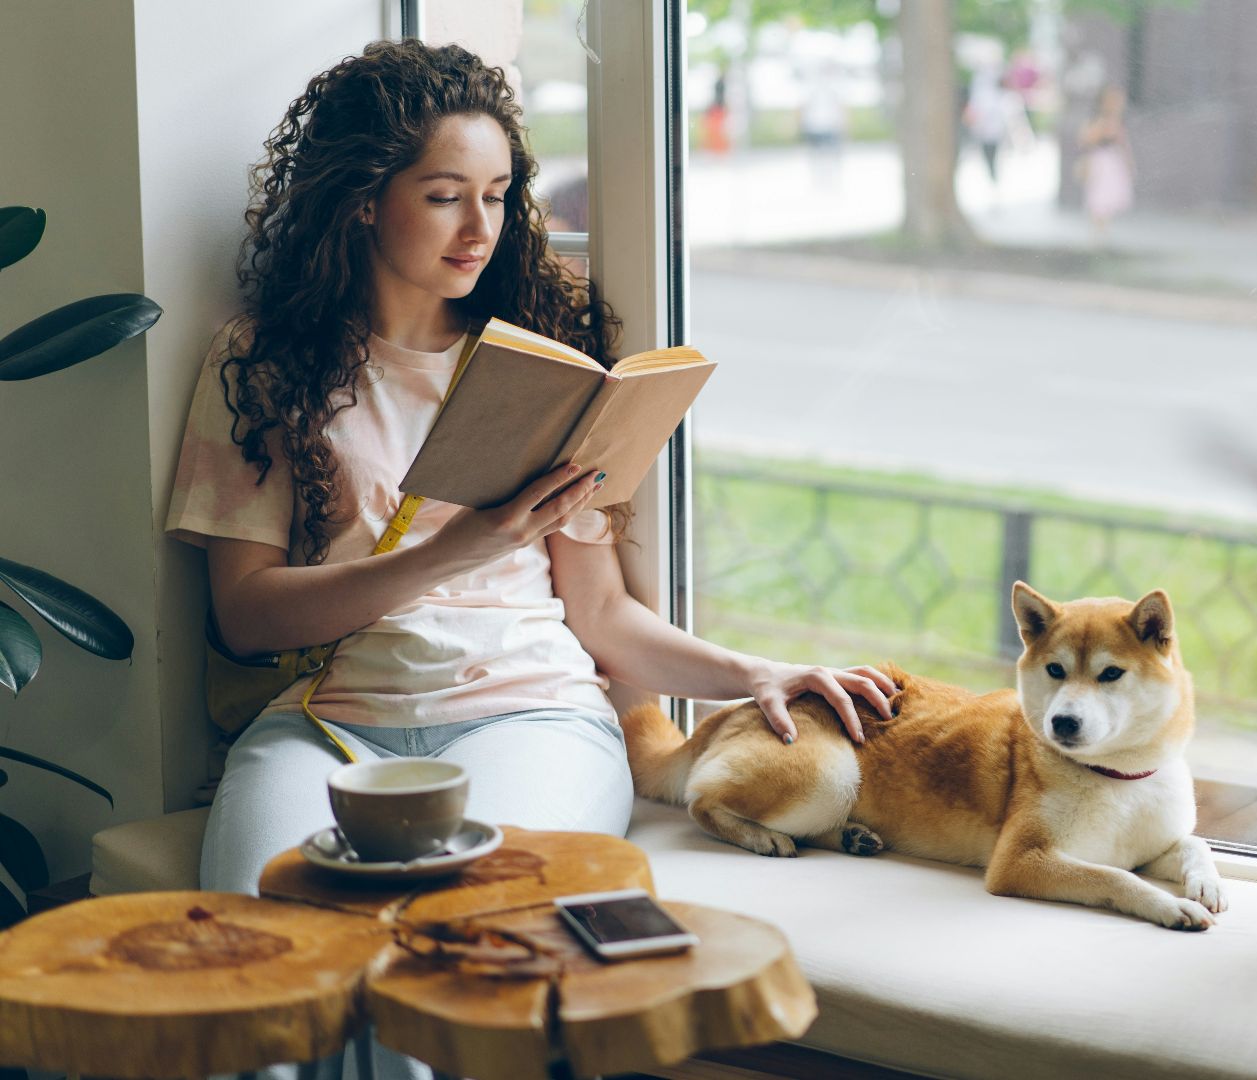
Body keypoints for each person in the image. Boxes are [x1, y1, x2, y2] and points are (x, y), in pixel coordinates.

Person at [163, 40, 893, 1076]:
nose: (480, 227)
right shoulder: (266, 363)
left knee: (443, 970)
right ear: (367, 199)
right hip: (330, 729)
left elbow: (600, 619)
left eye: (499, 196)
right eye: (447, 194)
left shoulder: (540, 361)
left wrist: (755, 673)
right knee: (262, 972)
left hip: (532, 717)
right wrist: (455, 549)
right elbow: (244, 614)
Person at [1077, 84, 1134, 241]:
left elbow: (1124, 144)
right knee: (1099, 198)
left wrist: (1129, 163)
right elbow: (1086, 140)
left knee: (1110, 197)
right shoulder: (1098, 121)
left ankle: (1103, 232)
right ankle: (1098, 232)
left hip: (1113, 162)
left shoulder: (1116, 120)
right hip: (1100, 162)